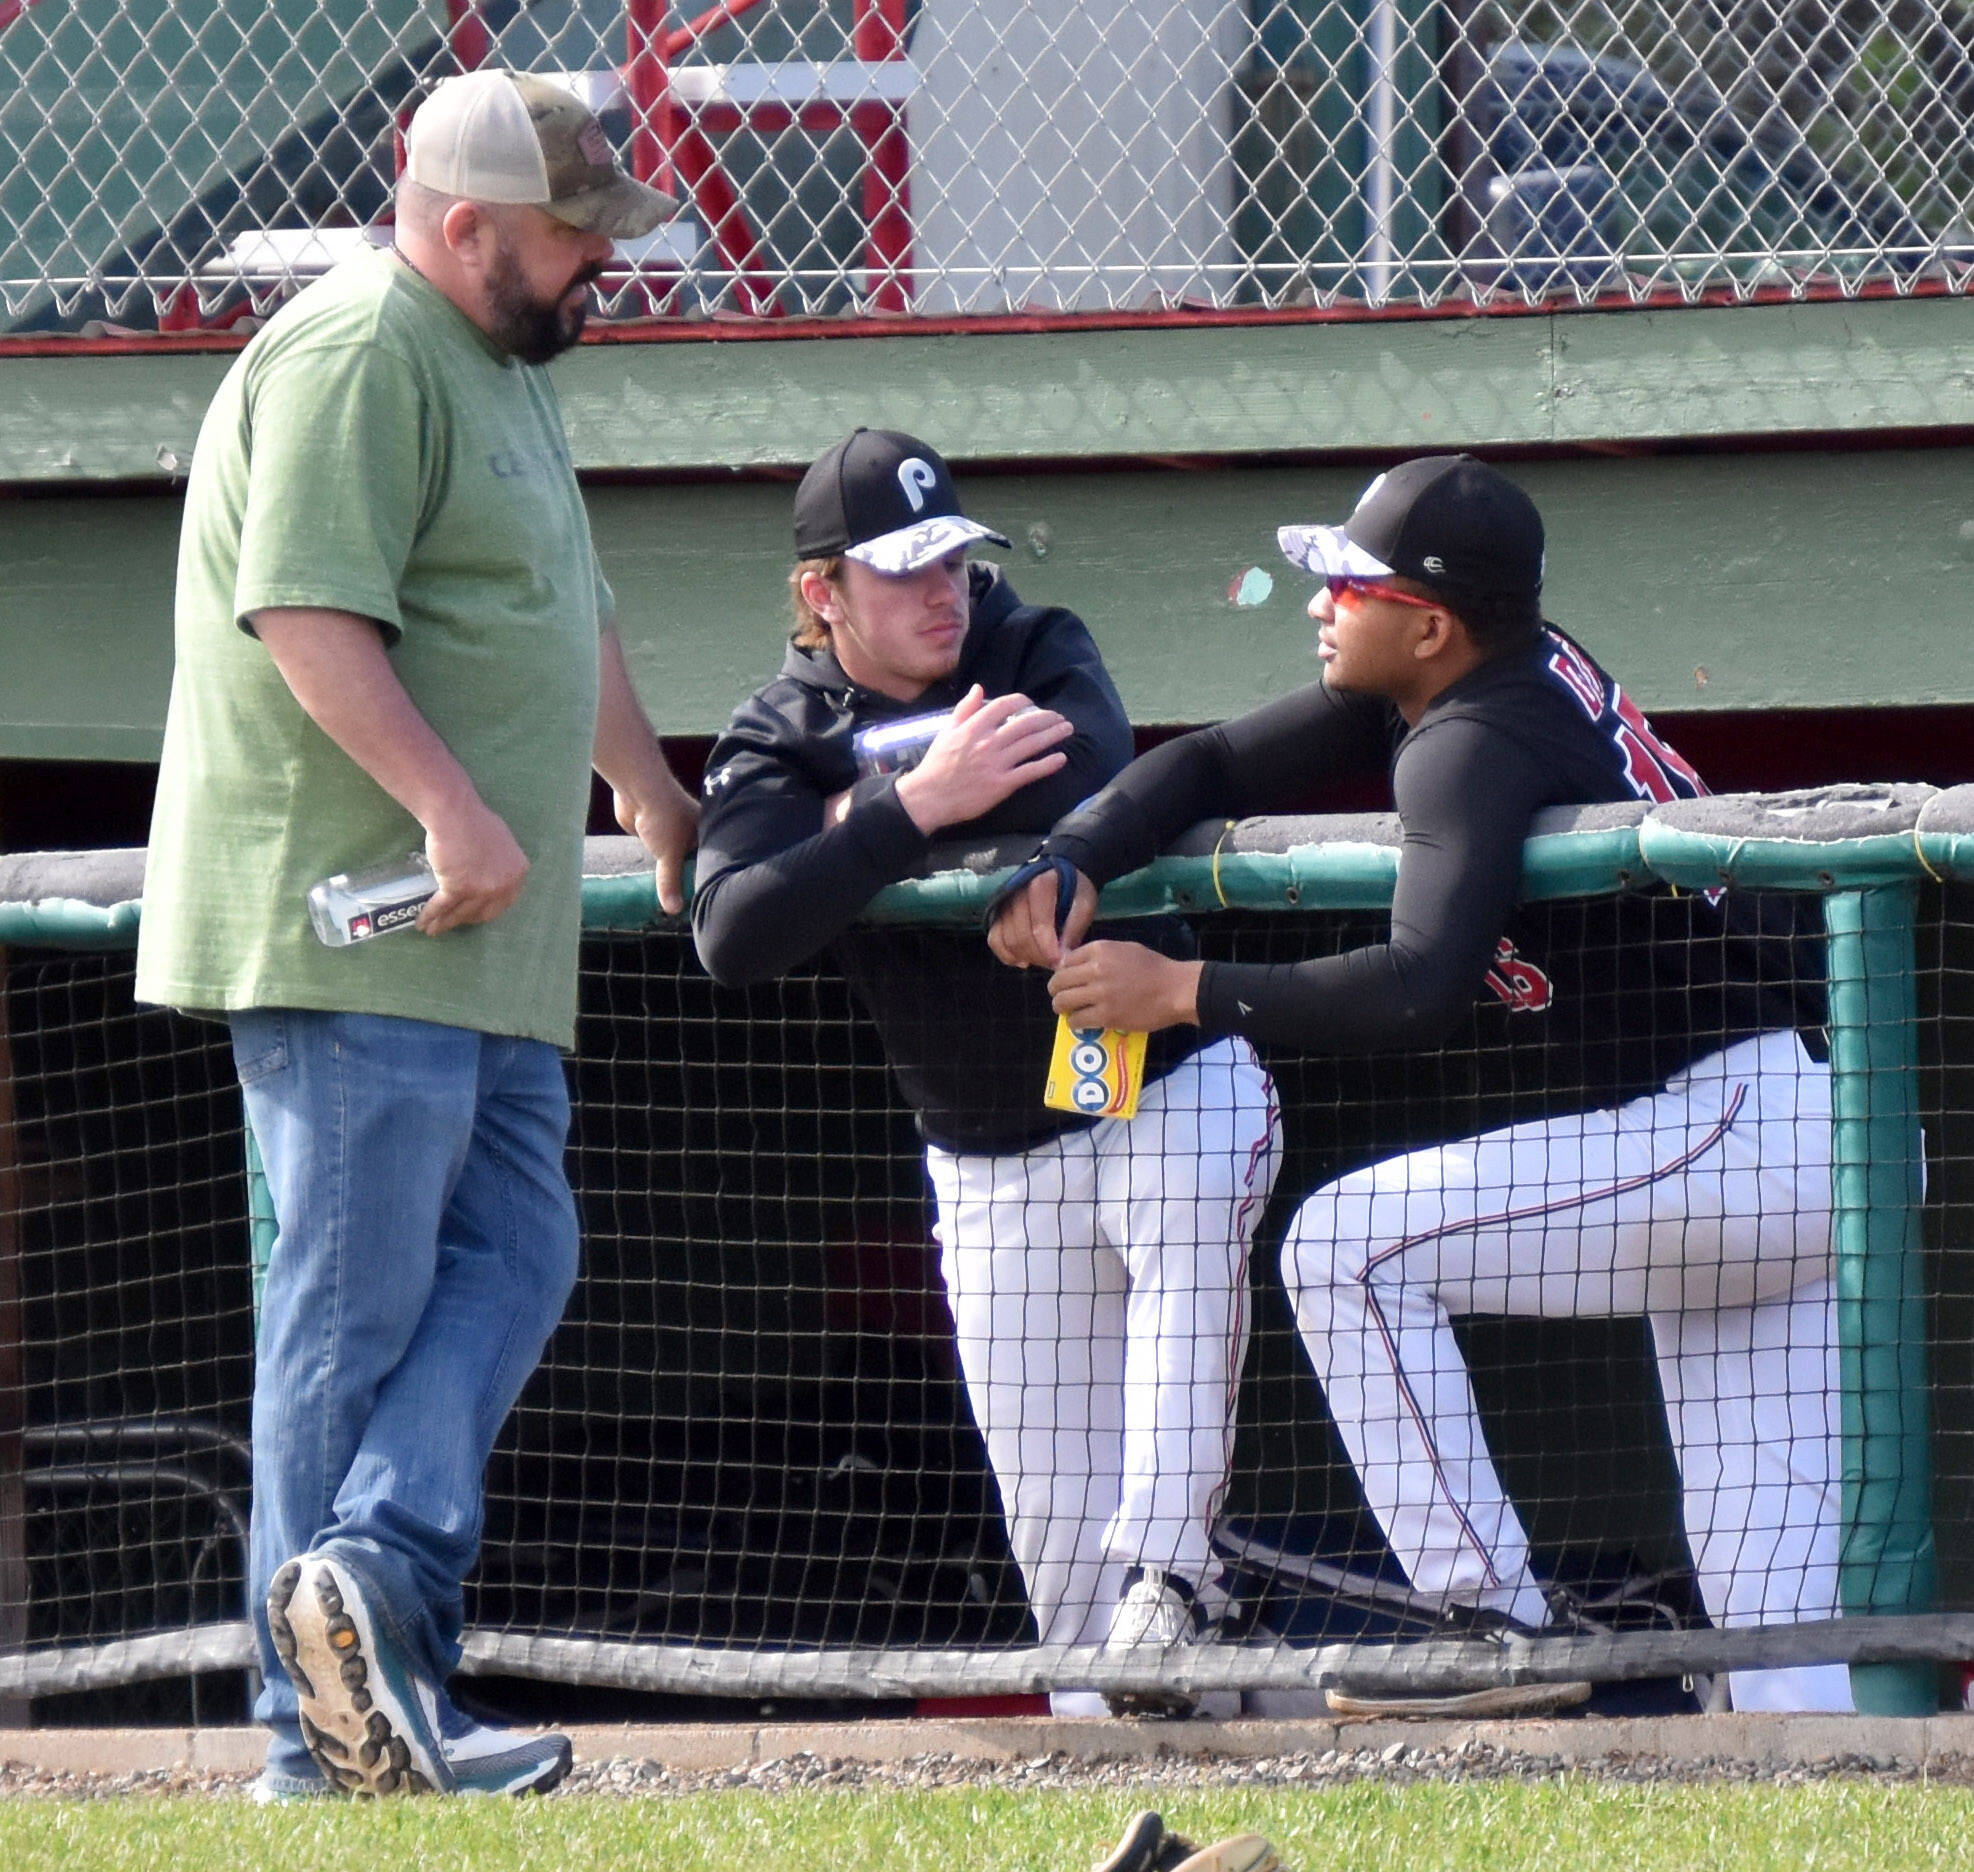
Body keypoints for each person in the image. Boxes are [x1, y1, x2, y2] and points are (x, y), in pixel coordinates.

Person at [989, 454, 1849, 1713]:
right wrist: (1073, 850)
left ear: (1429, 621)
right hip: (1785, 1134)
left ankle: (1489, 1619)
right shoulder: (1482, 668)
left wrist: (1182, 991)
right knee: (1776, 1618)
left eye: (1348, 583)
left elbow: (1415, 986)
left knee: (1341, 1248)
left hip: (1730, 1126)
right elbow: (1215, 766)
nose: (1319, 601)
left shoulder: (1471, 740)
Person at [135, 70, 699, 1798]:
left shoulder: (496, 362)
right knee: (349, 1314)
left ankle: (368, 1595)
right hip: (359, 922)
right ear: (465, 227)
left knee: (520, 1254)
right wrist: (456, 807)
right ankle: (326, 1736)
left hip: (484, 945)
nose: (604, 263)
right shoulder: (359, 347)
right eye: (570, 233)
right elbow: (301, 606)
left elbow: (562, 609)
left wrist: (651, 793)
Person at [692, 429, 1280, 1716]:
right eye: (903, 571)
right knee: (1060, 1563)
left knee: (1150, 1542)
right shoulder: (777, 725)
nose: (945, 590)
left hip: (1160, 1086)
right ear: (822, 593)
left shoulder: (1031, 638)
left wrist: (851, 823)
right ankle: (1150, 1769)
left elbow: (1091, 763)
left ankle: (1179, 1584)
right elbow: (734, 928)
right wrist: (919, 801)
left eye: (953, 558)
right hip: (985, 1155)